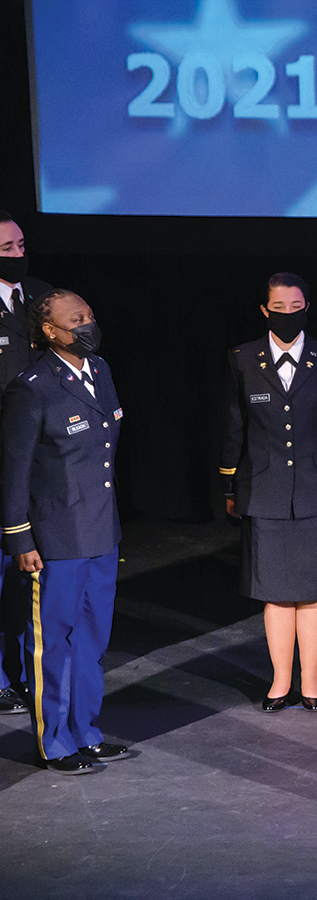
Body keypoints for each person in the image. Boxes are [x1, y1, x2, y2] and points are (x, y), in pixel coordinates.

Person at [221, 273, 317, 712]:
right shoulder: (243, 359)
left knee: (316, 589)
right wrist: (229, 483)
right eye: (278, 308)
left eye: (295, 307)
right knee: (277, 591)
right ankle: (280, 682)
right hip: (264, 489)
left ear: (307, 308)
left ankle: (311, 681)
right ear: (265, 310)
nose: (287, 315)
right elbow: (233, 426)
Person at [1, 289, 128, 774]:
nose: (88, 325)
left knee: (93, 641)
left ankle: (86, 732)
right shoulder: (32, 388)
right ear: (51, 331)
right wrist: (20, 538)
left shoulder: (100, 371)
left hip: (100, 531)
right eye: (77, 320)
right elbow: (13, 471)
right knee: (54, 641)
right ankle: (55, 741)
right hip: (55, 539)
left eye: (90, 315)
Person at [0, 210, 47, 716]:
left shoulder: (39, 296)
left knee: (35, 570)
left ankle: (36, 671)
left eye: (19, 245)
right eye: (5, 248)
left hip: (41, 459)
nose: (16, 254)